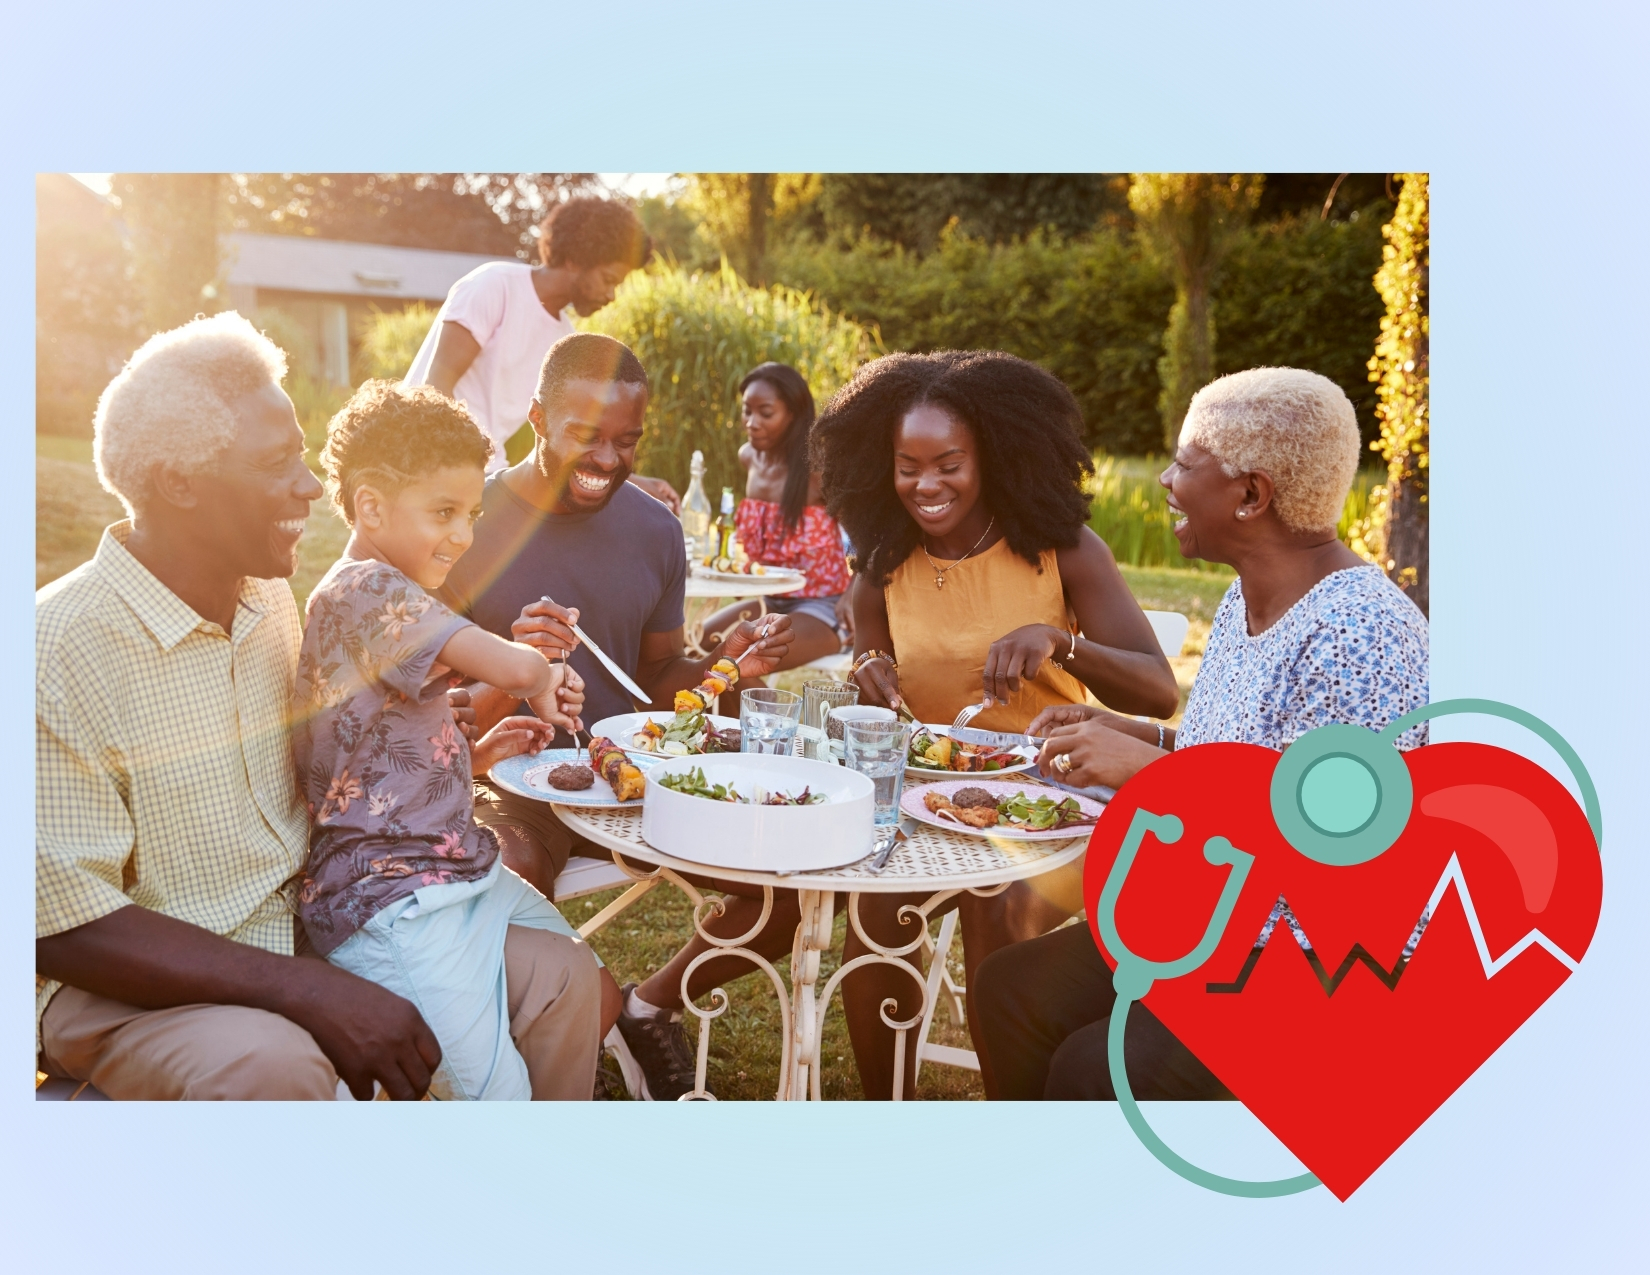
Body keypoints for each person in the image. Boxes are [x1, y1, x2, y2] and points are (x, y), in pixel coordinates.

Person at [971, 366, 1431, 1100]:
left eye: (1185, 462)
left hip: (1314, 959)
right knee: (1011, 991)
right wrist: (1136, 735)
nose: (1164, 478)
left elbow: (1336, 844)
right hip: (1219, 920)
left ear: (1251, 495)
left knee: (1094, 1066)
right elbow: (1239, 761)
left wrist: (1150, 774)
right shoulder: (1243, 598)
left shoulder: (1359, 632)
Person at [36, 313, 445, 1100]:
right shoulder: (52, 650)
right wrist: (306, 989)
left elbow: (320, 758)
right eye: (277, 462)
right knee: (275, 1064)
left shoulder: (265, 595)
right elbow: (66, 925)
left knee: (543, 974)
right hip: (117, 989)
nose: (309, 484)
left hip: (296, 930)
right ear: (180, 483)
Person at [441, 331, 809, 1099]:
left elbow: (655, 674)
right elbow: (431, 708)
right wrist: (512, 661)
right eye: (585, 436)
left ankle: (645, 1007)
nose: (608, 460)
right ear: (536, 417)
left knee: (792, 882)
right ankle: (538, 1061)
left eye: (627, 440)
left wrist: (726, 668)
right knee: (500, 883)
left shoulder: (654, 529)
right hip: (519, 784)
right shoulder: (466, 523)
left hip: (647, 779)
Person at [810, 349, 1182, 1097]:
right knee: (875, 916)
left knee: (995, 903)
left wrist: (1060, 641)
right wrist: (867, 664)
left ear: (993, 455)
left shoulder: (1061, 548)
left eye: (948, 463)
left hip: (1054, 802)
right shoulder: (883, 558)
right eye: (907, 466)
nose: (926, 485)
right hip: (933, 798)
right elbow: (866, 638)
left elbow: (1158, 689)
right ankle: (890, 1114)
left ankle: (1011, 1110)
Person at [294, 380, 604, 1100]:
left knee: (572, 970)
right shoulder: (365, 590)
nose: (463, 534)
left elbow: (380, 751)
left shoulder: (390, 593)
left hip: (453, 872)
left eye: (471, 513)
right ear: (370, 505)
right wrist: (539, 673)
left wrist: (479, 753)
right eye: (444, 512)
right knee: (494, 1096)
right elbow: (509, 661)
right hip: (395, 902)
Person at [404, 194, 680, 510]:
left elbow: (561, 439)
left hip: (481, 472)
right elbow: (435, 385)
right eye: (608, 280)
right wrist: (463, 470)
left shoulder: (565, 339)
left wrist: (634, 483)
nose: (611, 295)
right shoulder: (495, 286)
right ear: (577, 258)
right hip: (423, 457)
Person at [699, 363, 853, 672]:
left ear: (794, 414)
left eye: (765, 414)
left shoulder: (819, 469)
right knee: (697, 643)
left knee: (742, 661)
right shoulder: (749, 458)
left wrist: (854, 596)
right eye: (747, 412)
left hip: (823, 607)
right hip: (767, 601)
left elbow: (869, 536)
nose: (752, 423)